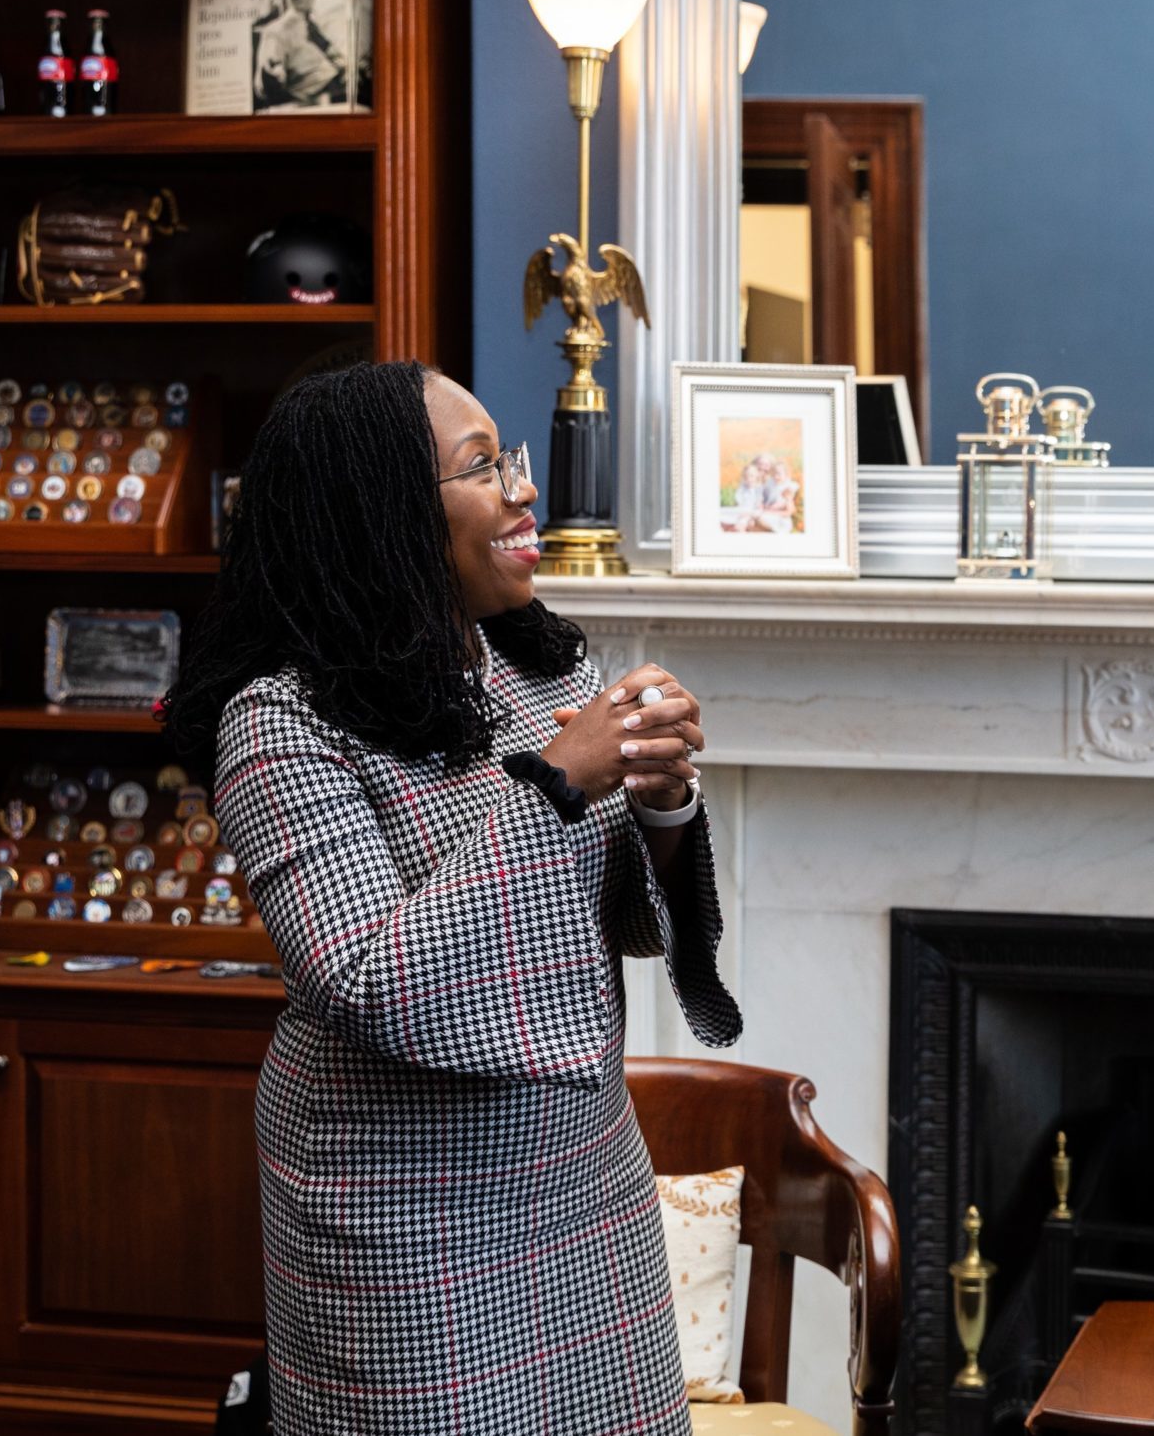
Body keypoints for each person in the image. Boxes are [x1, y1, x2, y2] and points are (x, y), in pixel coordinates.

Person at [160, 361, 737, 1435]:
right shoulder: (278, 723)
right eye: (482, 468)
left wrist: (659, 806)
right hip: (401, 1207)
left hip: (581, 1177)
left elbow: (618, 919)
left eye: (510, 458)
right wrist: (557, 782)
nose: (524, 489)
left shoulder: (535, 672)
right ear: (380, 512)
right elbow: (365, 975)